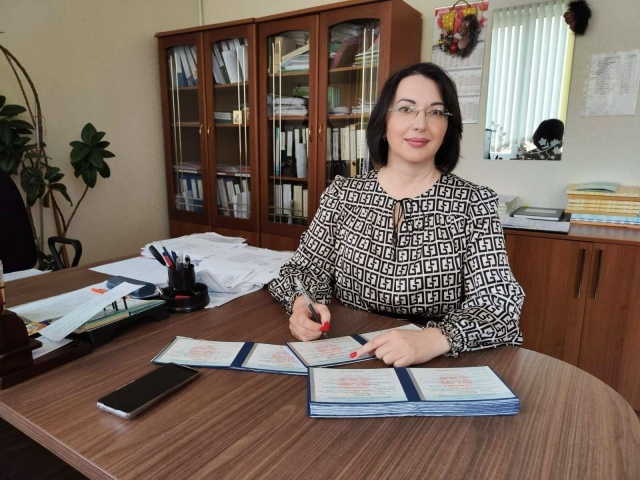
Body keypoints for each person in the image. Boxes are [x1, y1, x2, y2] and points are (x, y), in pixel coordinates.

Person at [269, 62, 524, 367]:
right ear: (384, 120)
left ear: (447, 127)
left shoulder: (474, 203)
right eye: (406, 109)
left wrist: (436, 338)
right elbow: (303, 270)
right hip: (350, 352)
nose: (420, 124)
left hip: (437, 359)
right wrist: (302, 305)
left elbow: (499, 305)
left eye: (436, 112)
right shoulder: (343, 194)